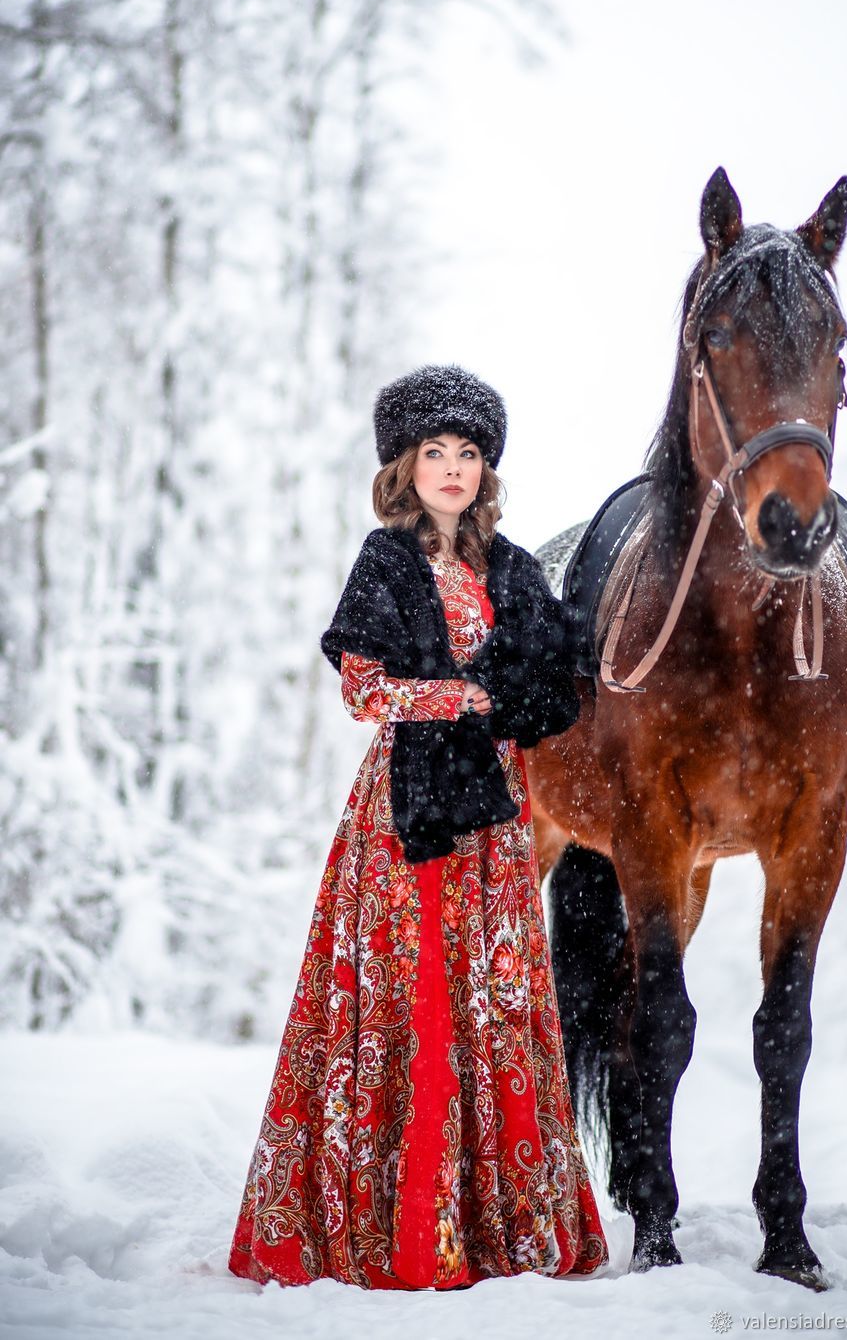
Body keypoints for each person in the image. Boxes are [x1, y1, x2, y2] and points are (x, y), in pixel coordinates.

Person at [228, 363, 608, 1290]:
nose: (451, 468)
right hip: (409, 811)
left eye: (467, 452)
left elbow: (562, 680)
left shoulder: (513, 570)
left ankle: (494, 1231)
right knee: (420, 994)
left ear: (486, 468)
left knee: (494, 1001)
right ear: (404, 465)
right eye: (433, 451)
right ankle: (400, 1227)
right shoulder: (385, 561)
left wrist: (525, 697)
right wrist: (470, 696)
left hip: (500, 819)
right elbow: (365, 690)